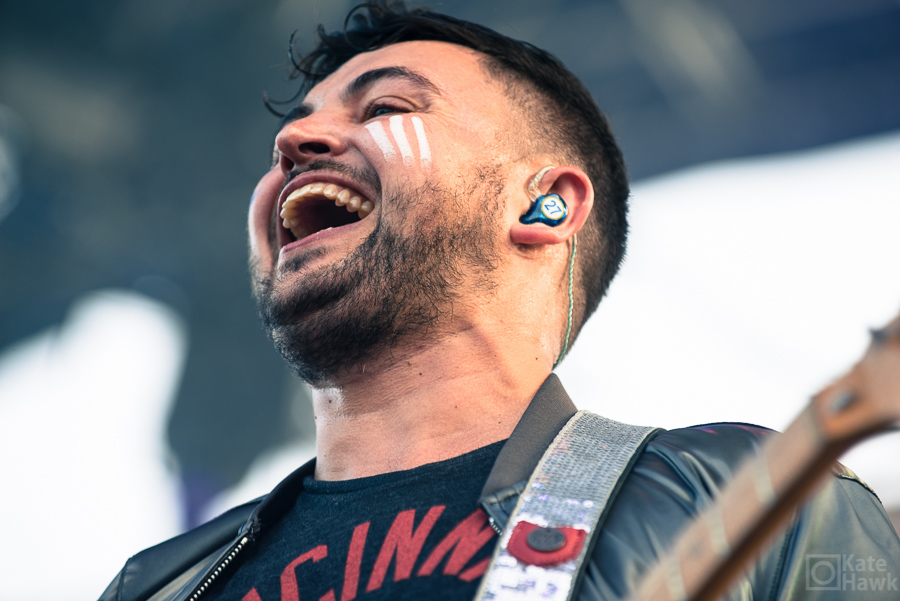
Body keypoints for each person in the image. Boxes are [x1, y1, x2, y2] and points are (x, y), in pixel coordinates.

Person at [100, 2, 900, 600]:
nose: (289, 144)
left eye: (386, 108)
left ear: (544, 206)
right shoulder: (162, 584)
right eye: (296, 127)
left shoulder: (741, 498)